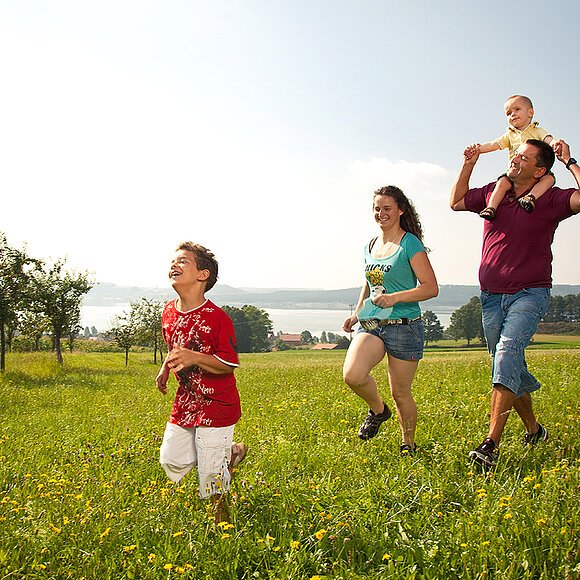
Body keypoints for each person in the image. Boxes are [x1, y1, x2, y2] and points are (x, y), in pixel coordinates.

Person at [450, 138, 580, 469]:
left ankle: (490, 444)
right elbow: (457, 202)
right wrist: (469, 163)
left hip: (529, 292)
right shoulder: (498, 190)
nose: (515, 158)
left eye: (523, 156)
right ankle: (534, 431)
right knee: (506, 363)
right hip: (491, 295)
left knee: (506, 356)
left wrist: (570, 162)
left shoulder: (550, 199)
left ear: (539, 170)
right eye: (515, 153)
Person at [342, 186, 439, 455]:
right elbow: (369, 283)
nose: (381, 213)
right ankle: (378, 410)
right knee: (353, 375)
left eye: (387, 208)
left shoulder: (410, 244)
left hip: (405, 326)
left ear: (400, 210)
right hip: (373, 323)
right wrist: (357, 313)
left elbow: (430, 287)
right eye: (377, 208)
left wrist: (395, 298)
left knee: (401, 393)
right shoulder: (370, 245)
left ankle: (408, 443)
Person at [155, 242, 246, 522]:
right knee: (170, 460)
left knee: (210, 478)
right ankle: (228, 456)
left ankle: (224, 525)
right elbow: (175, 346)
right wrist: (165, 369)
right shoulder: (169, 312)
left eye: (183, 261)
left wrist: (195, 357)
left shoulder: (217, 318)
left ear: (202, 275)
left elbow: (228, 365)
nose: (175, 265)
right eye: (174, 261)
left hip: (217, 405)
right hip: (186, 401)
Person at [464, 95, 557, 220]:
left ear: (530, 112)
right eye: (508, 113)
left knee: (549, 179)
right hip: (515, 172)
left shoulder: (537, 131)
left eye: (517, 109)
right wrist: (477, 149)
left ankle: (531, 197)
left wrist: (555, 143)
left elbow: (548, 139)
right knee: (502, 183)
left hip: (534, 170)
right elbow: (494, 144)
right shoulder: (510, 135)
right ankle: (491, 207)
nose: (512, 114)